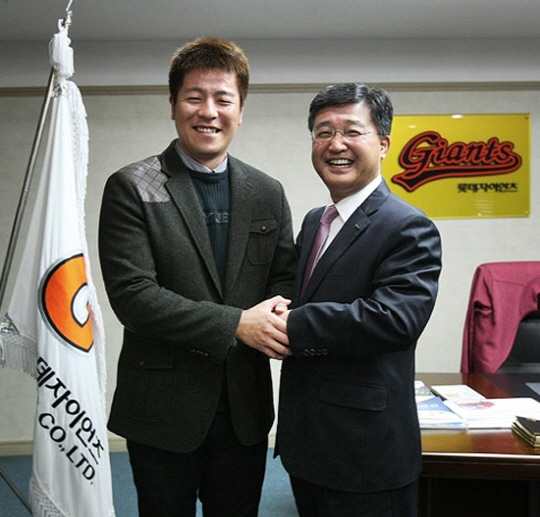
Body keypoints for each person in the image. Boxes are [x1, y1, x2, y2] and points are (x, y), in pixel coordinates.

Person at [98, 37, 296, 517]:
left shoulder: (267, 192)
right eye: (194, 97)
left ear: (241, 109)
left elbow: (285, 280)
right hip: (162, 408)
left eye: (223, 99)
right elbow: (134, 297)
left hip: (244, 408)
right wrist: (236, 324)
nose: (209, 111)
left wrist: (276, 314)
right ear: (172, 104)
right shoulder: (133, 186)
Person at [276, 82, 442, 517]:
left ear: (384, 144)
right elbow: (300, 293)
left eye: (352, 131)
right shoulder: (316, 221)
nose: (336, 145)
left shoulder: (407, 226)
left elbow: (394, 319)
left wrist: (289, 325)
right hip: (308, 443)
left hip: (366, 453)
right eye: (323, 132)